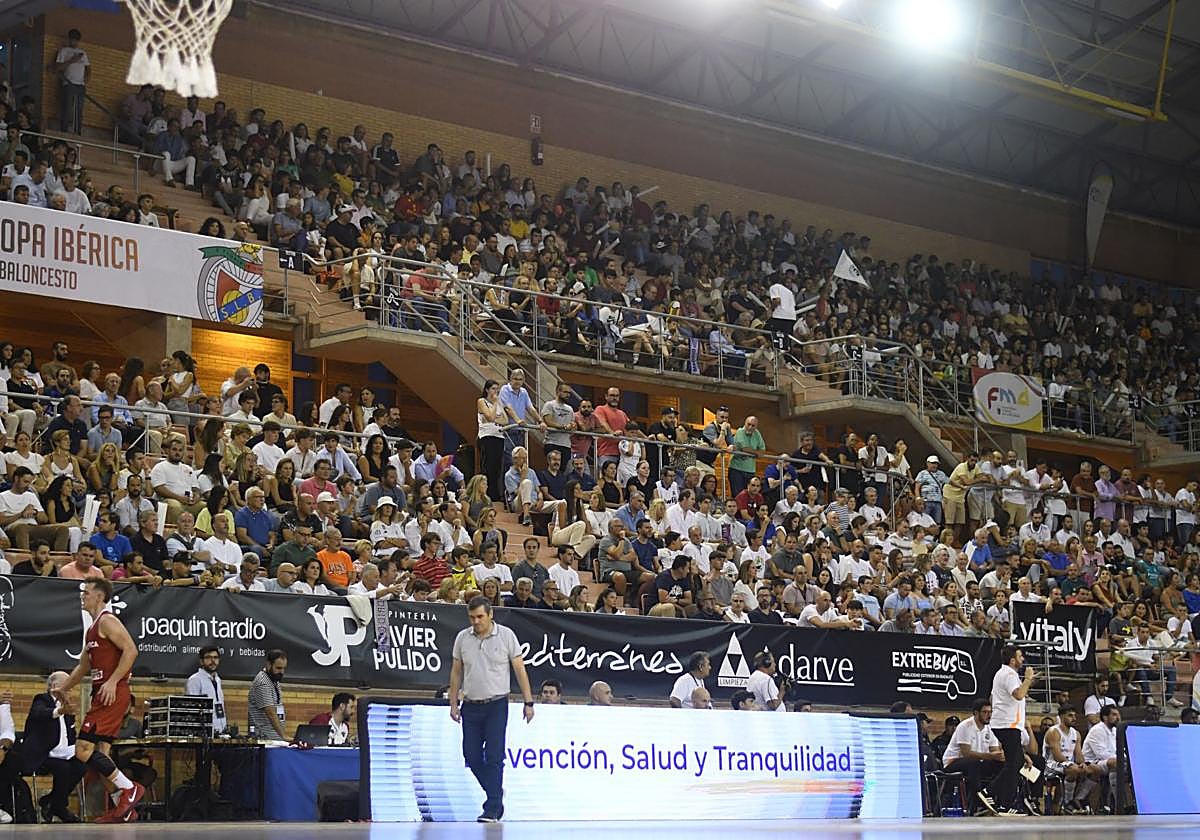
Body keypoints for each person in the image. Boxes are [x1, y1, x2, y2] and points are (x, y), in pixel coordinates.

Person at [59, 578, 145, 823]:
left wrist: (112, 681)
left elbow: (131, 650)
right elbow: (82, 667)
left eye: (86, 592)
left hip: (111, 693)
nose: (82, 596)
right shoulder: (92, 629)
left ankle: (129, 788)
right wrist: (63, 688)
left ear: (99, 596)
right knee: (101, 755)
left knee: (82, 749)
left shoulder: (108, 621)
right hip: (102, 692)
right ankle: (123, 810)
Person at [448, 596, 535, 823]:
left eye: (480, 616)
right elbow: (456, 671)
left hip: (497, 703)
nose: (476, 621)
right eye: (472, 617)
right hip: (471, 704)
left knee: (495, 756)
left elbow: (519, 669)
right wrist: (453, 702)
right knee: (471, 755)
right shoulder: (462, 638)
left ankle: (493, 807)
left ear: (490, 615)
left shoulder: (506, 635)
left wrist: (528, 702)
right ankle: (494, 790)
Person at [4, 671, 85, 823]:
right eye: (67, 684)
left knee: (80, 766)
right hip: (42, 755)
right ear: (54, 686)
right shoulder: (41, 699)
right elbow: (39, 713)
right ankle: (59, 808)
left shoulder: (67, 706)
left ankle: (50, 801)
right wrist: (59, 711)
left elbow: (71, 734)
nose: (70, 688)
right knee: (63, 768)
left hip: (63, 753)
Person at [978, 643, 1035, 816]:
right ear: (1012, 660)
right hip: (1008, 724)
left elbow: (997, 697)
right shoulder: (1010, 674)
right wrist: (1027, 679)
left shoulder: (1002, 673)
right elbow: (1018, 695)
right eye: (1020, 656)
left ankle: (999, 799)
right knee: (1014, 764)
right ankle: (997, 797)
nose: (1022, 659)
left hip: (1004, 723)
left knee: (1015, 762)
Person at [942, 699, 1004, 815]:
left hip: (978, 762)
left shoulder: (990, 728)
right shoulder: (965, 726)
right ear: (976, 713)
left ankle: (999, 802)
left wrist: (1002, 757)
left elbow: (995, 752)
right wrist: (991, 756)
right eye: (985, 712)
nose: (989, 715)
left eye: (990, 712)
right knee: (973, 763)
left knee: (1001, 765)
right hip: (953, 762)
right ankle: (977, 803)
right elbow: (966, 753)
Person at [1042, 704, 1102, 814]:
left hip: (1067, 764)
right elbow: (1057, 756)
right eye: (1070, 715)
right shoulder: (1053, 732)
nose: (1074, 718)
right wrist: (1073, 764)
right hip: (1050, 765)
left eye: (1074, 716)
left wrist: (1082, 763)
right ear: (1061, 717)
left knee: (1096, 769)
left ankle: (1078, 799)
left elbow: (1078, 755)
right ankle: (1067, 802)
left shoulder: (1076, 733)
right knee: (1073, 769)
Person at [184, 645, 228, 735]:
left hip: (221, 731)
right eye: (208, 658)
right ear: (201, 661)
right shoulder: (195, 679)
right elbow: (192, 709)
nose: (213, 661)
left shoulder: (218, 679)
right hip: (203, 733)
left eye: (215, 657)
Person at [247, 649, 288, 740]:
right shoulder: (263, 682)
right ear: (269, 665)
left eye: (283, 668)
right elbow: (270, 712)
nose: (282, 672)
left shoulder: (273, 680)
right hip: (264, 738)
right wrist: (283, 736)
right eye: (278, 668)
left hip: (274, 737)